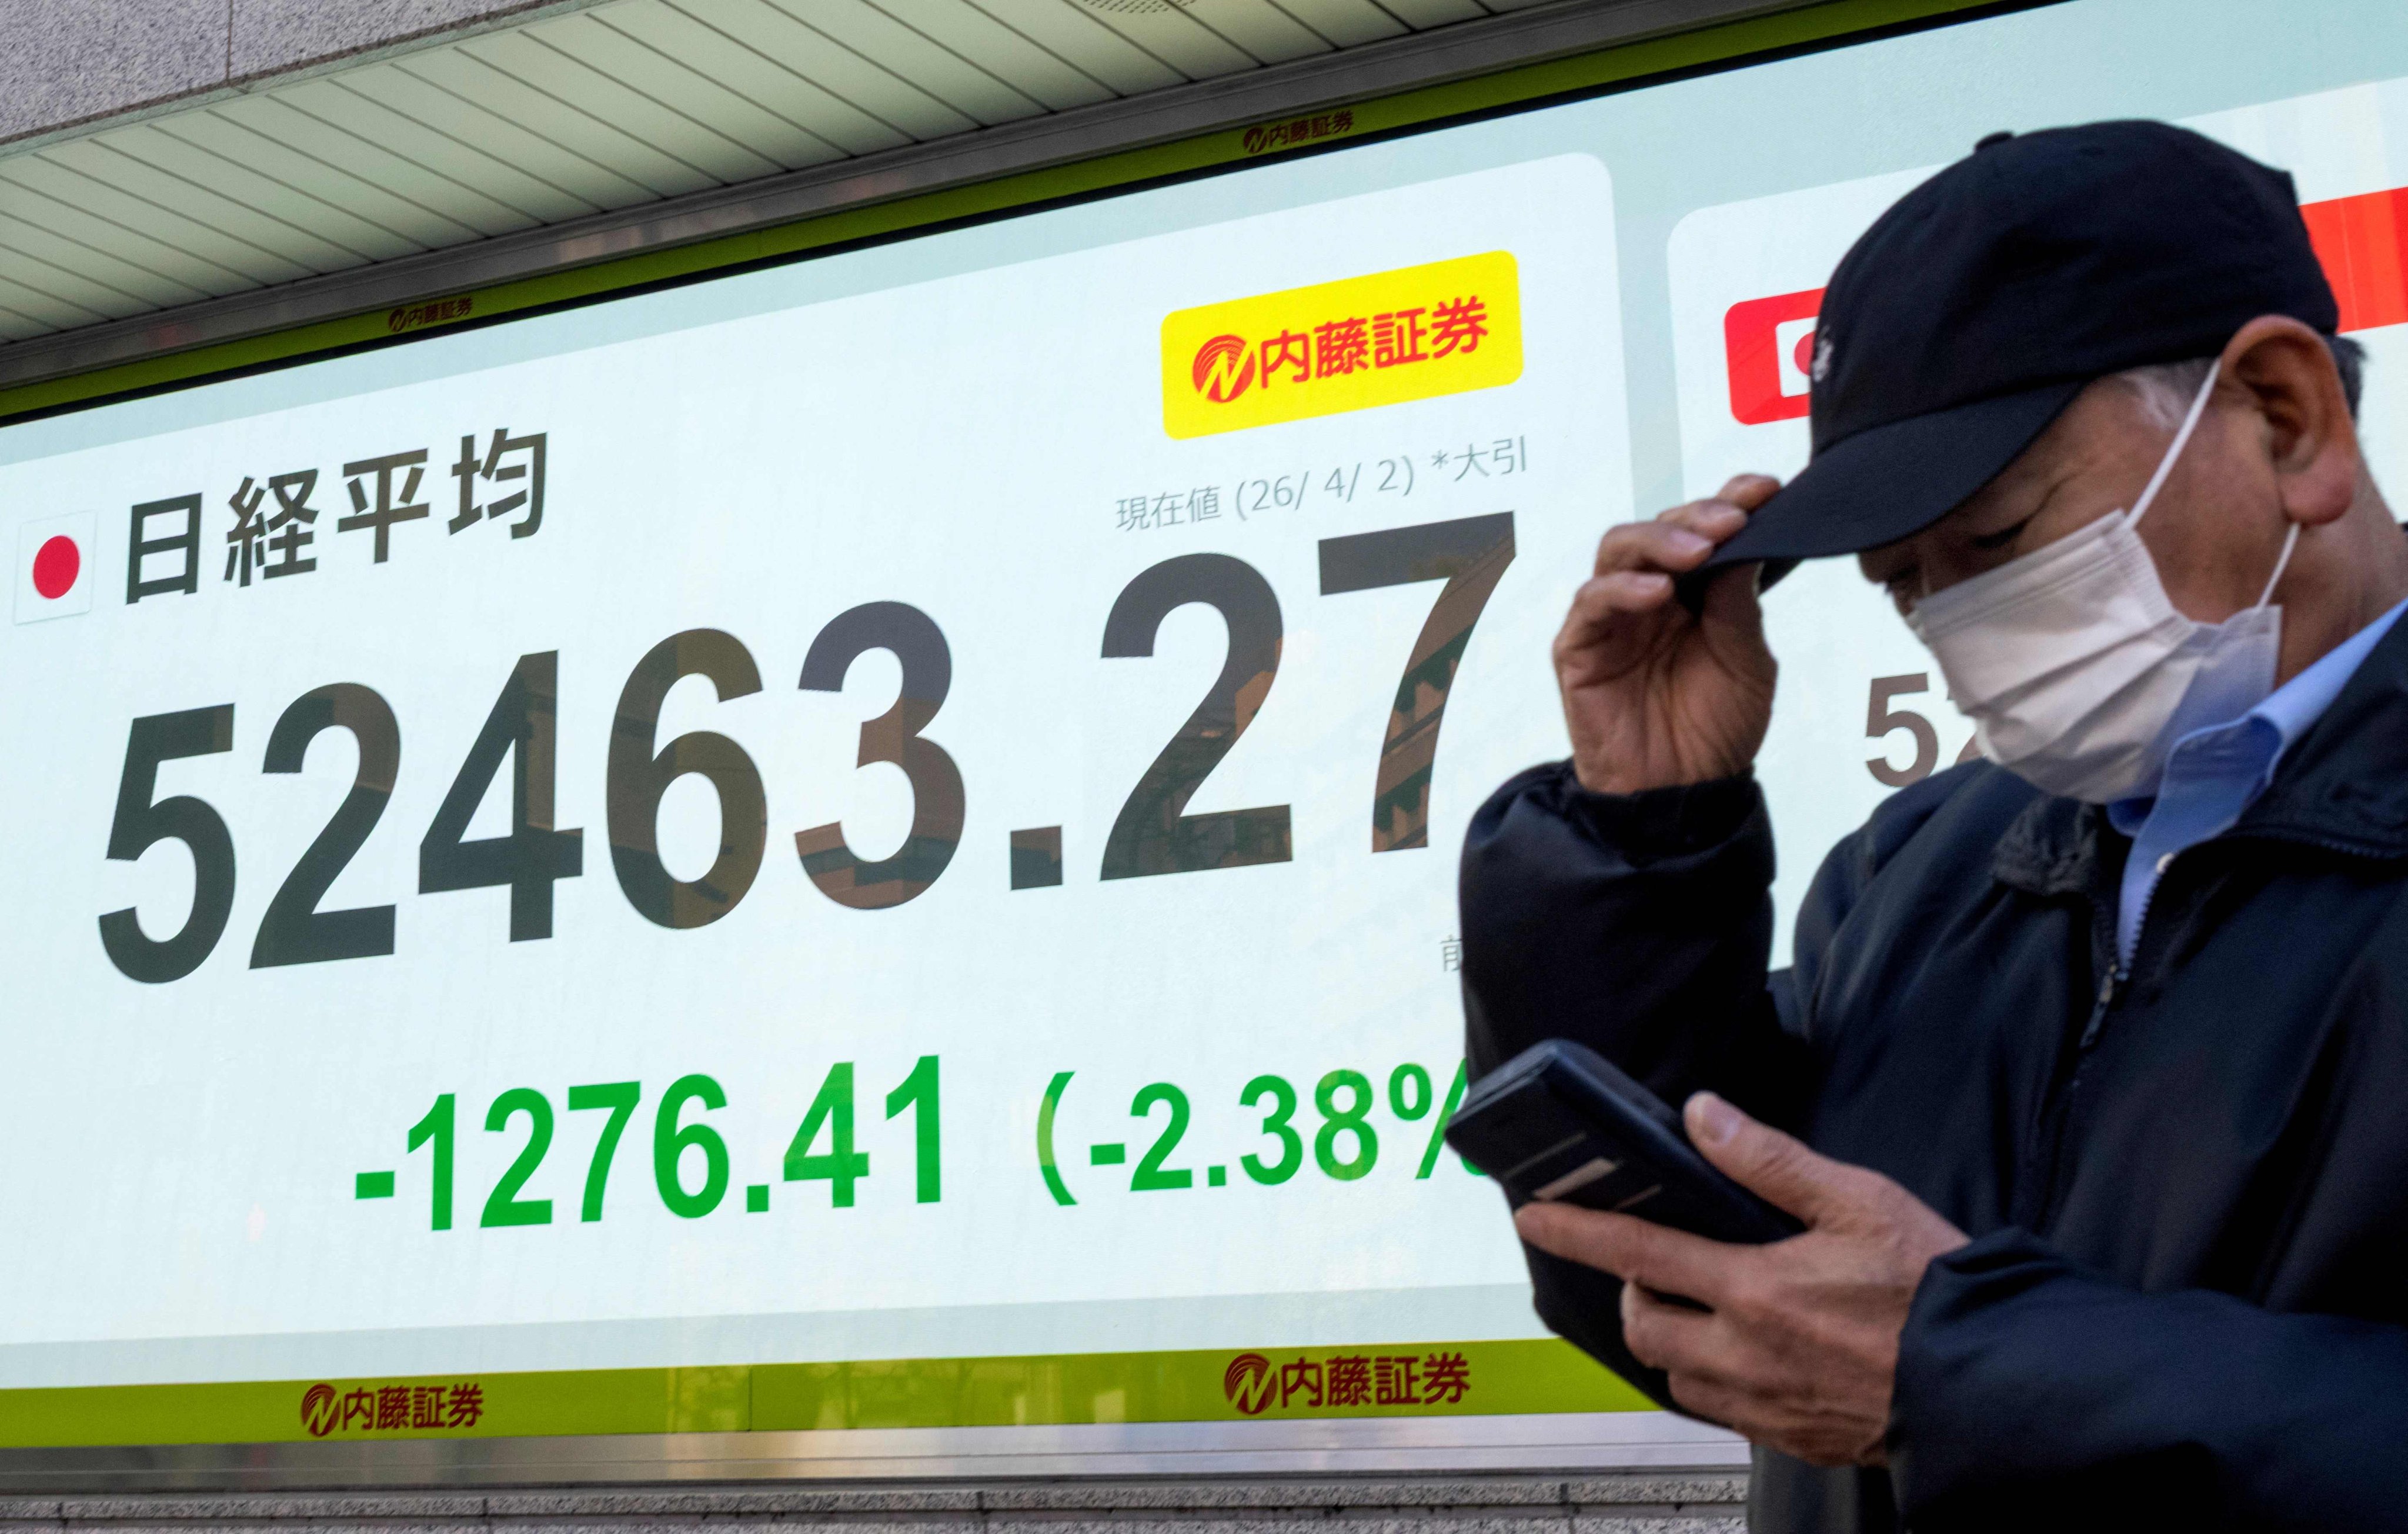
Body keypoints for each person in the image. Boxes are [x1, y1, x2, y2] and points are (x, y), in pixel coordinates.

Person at [1458, 120, 2408, 1533]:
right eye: (1904, 582)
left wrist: (1965, 1372)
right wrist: (1642, 838)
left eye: (1993, 541)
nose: (1955, 622)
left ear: (2282, 418)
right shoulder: (1920, 872)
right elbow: (1679, 1301)